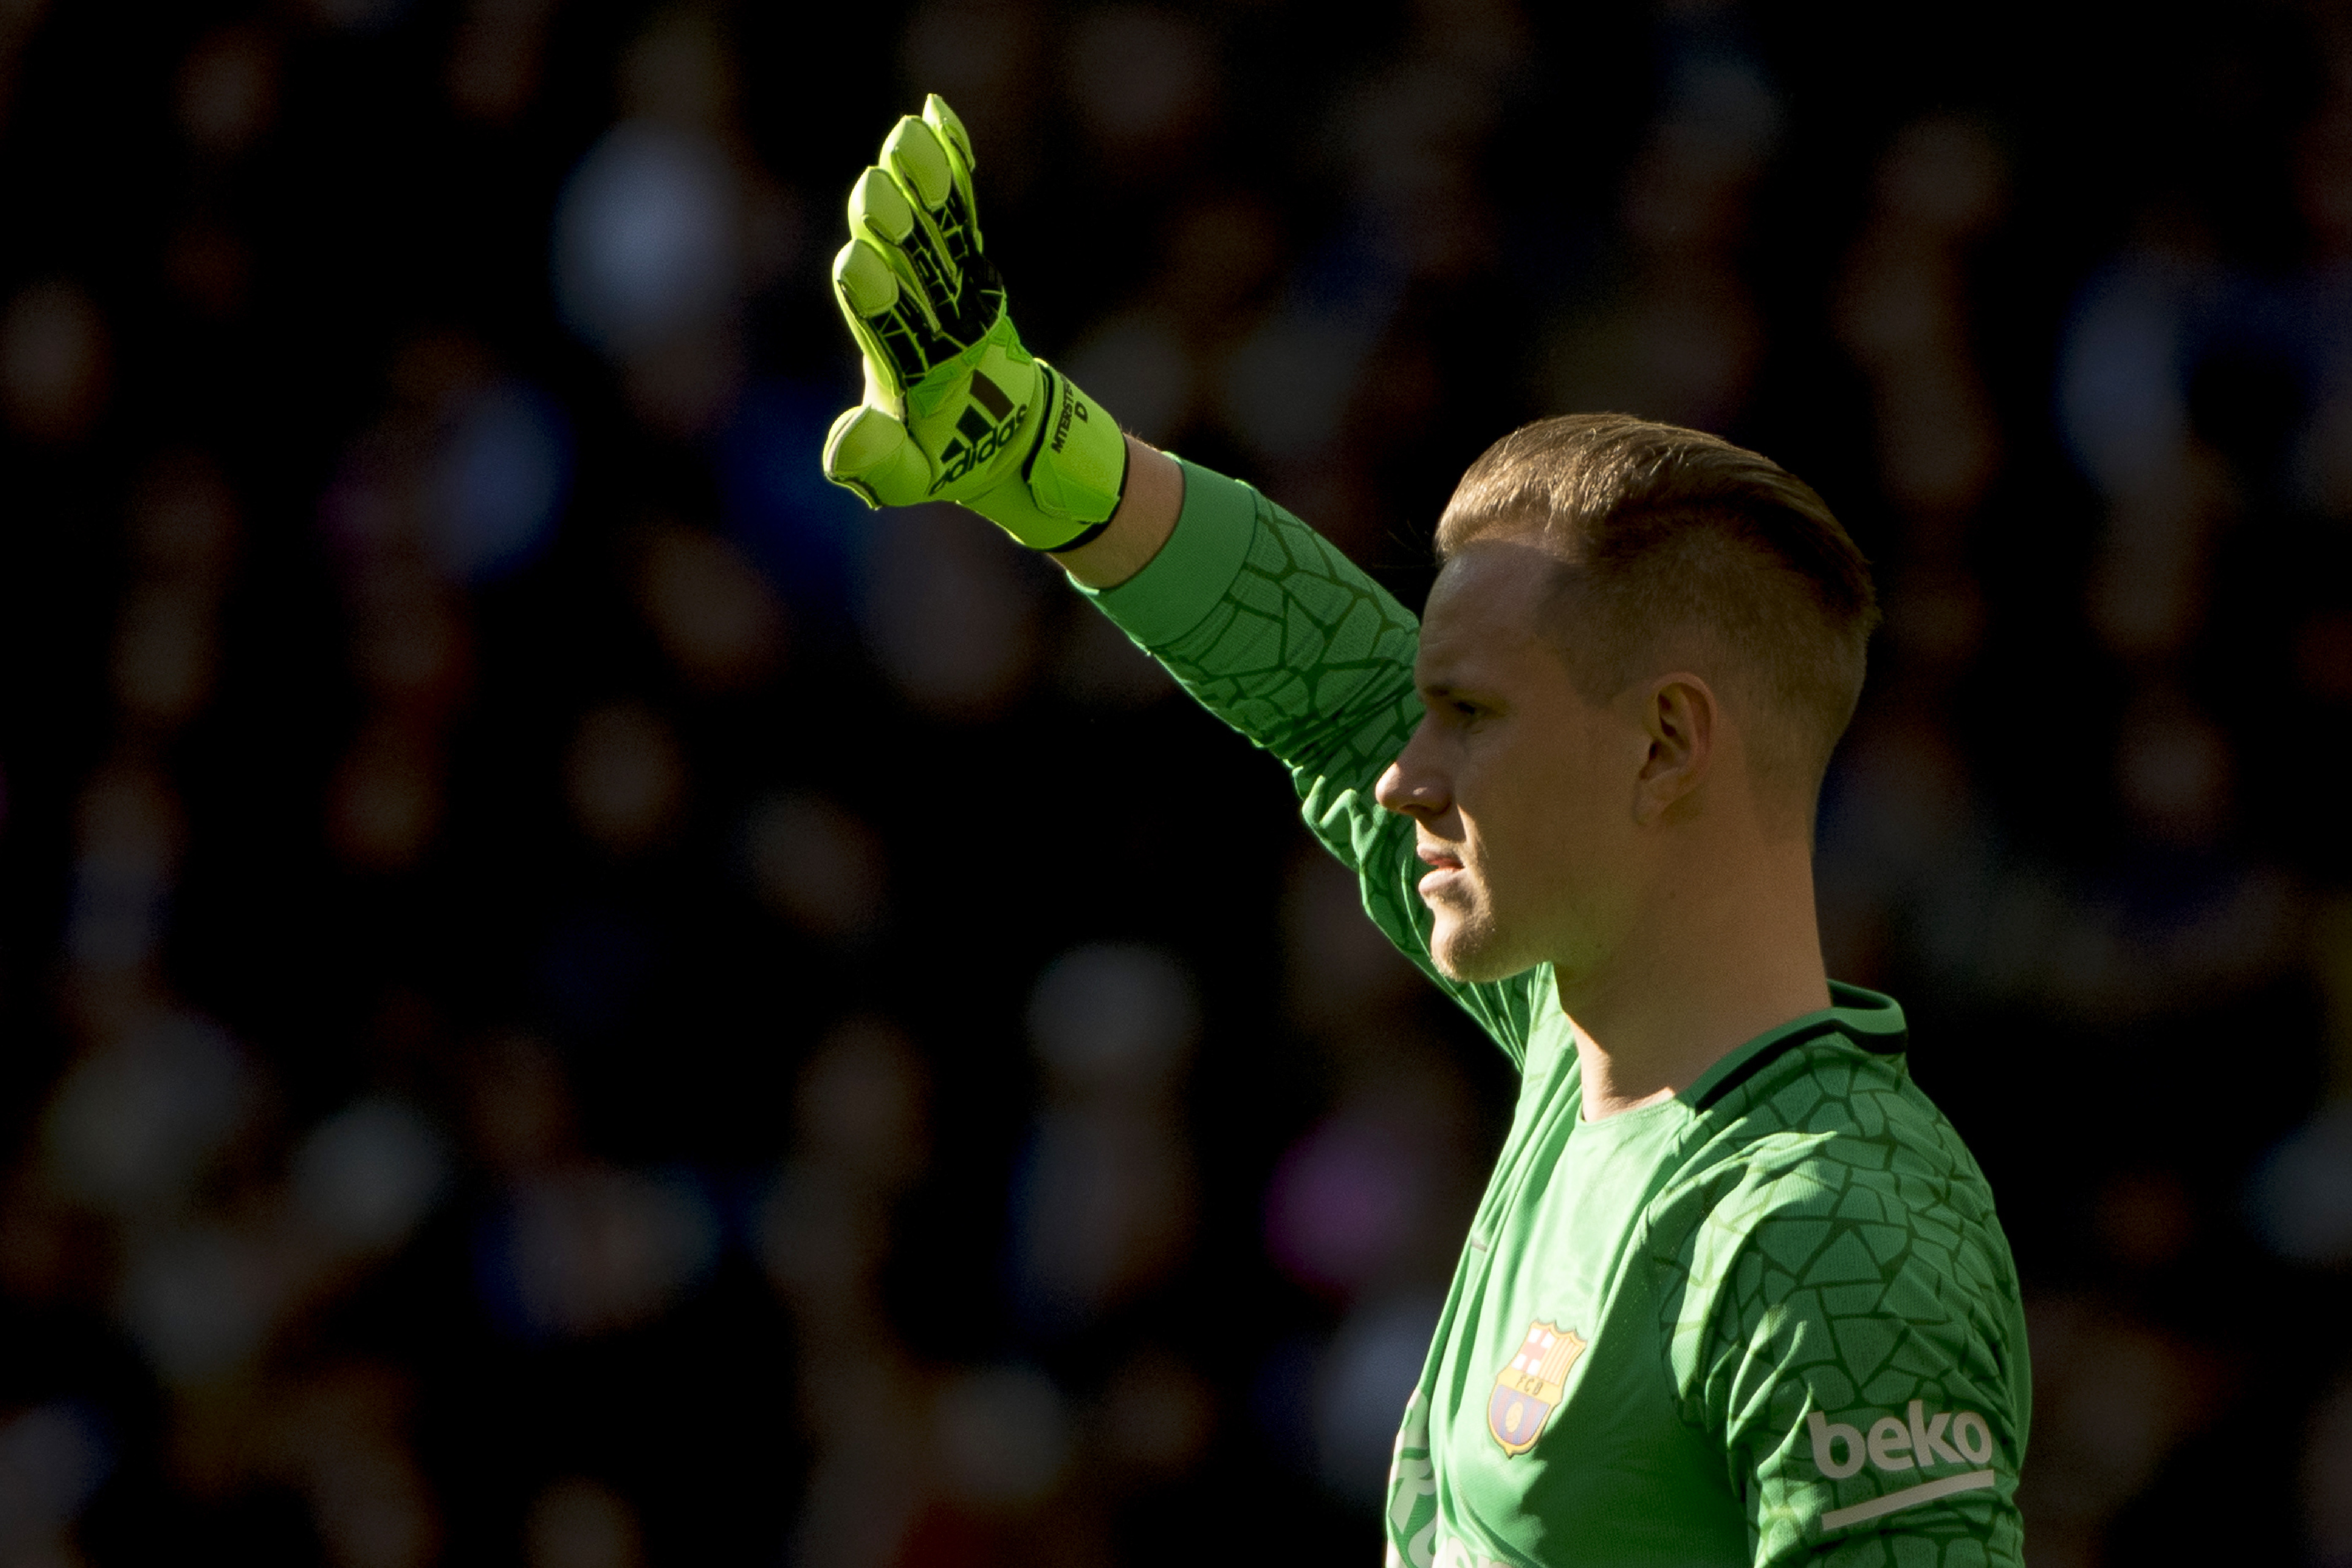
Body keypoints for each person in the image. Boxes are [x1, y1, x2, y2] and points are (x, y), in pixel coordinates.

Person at [822, 97, 2030, 1568]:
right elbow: (1336, 696)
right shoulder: (1585, 1051)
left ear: (1665, 745)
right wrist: (1039, 455)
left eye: (1469, 714)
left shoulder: (1839, 1231)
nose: (1404, 777)